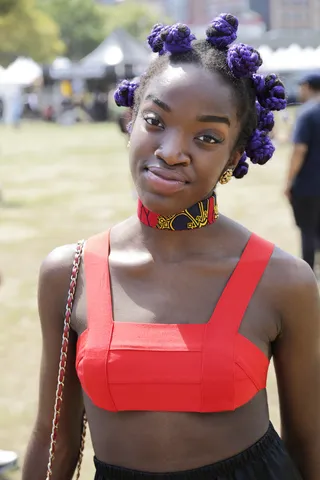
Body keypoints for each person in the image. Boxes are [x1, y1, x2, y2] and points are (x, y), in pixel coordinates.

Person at [22, 14, 320, 480]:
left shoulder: (284, 281)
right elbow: (52, 436)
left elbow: (310, 441)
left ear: (234, 158)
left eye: (207, 137)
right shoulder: (69, 273)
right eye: (156, 120)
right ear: (130, 119)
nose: (172, 150)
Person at [285, 73, 320, 271]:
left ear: (307, 86)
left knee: (307, 230)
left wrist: (289, 182)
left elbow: (299, 150)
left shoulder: (307, 114)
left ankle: (307, 272)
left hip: (308, 184)